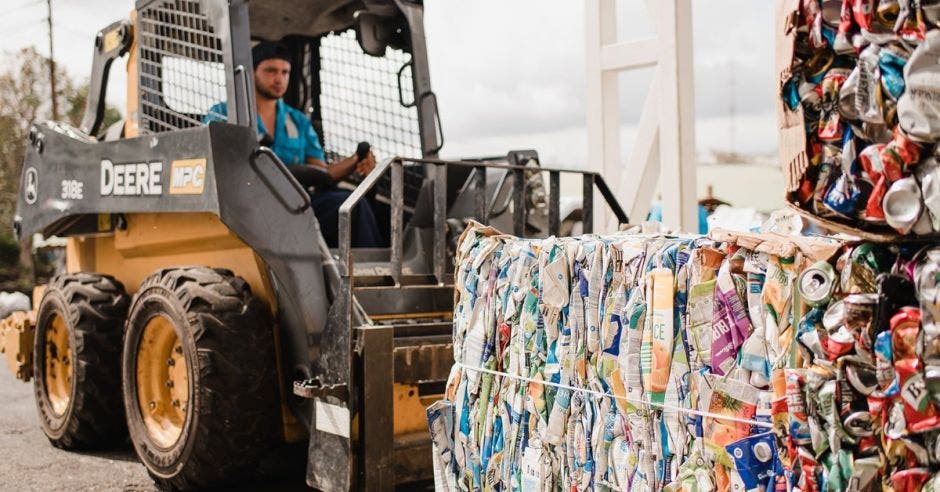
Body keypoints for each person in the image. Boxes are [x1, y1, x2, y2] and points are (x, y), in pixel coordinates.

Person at [205, 41, 382, 248]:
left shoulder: (298, 121)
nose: (279, 79)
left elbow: (324, 172)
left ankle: (373, 272)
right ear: (251, 73)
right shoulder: (223, 114)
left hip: (298, 203)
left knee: (352, 204)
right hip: (248, 207)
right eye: (270, 71)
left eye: (285, 72)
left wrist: (356, 161)